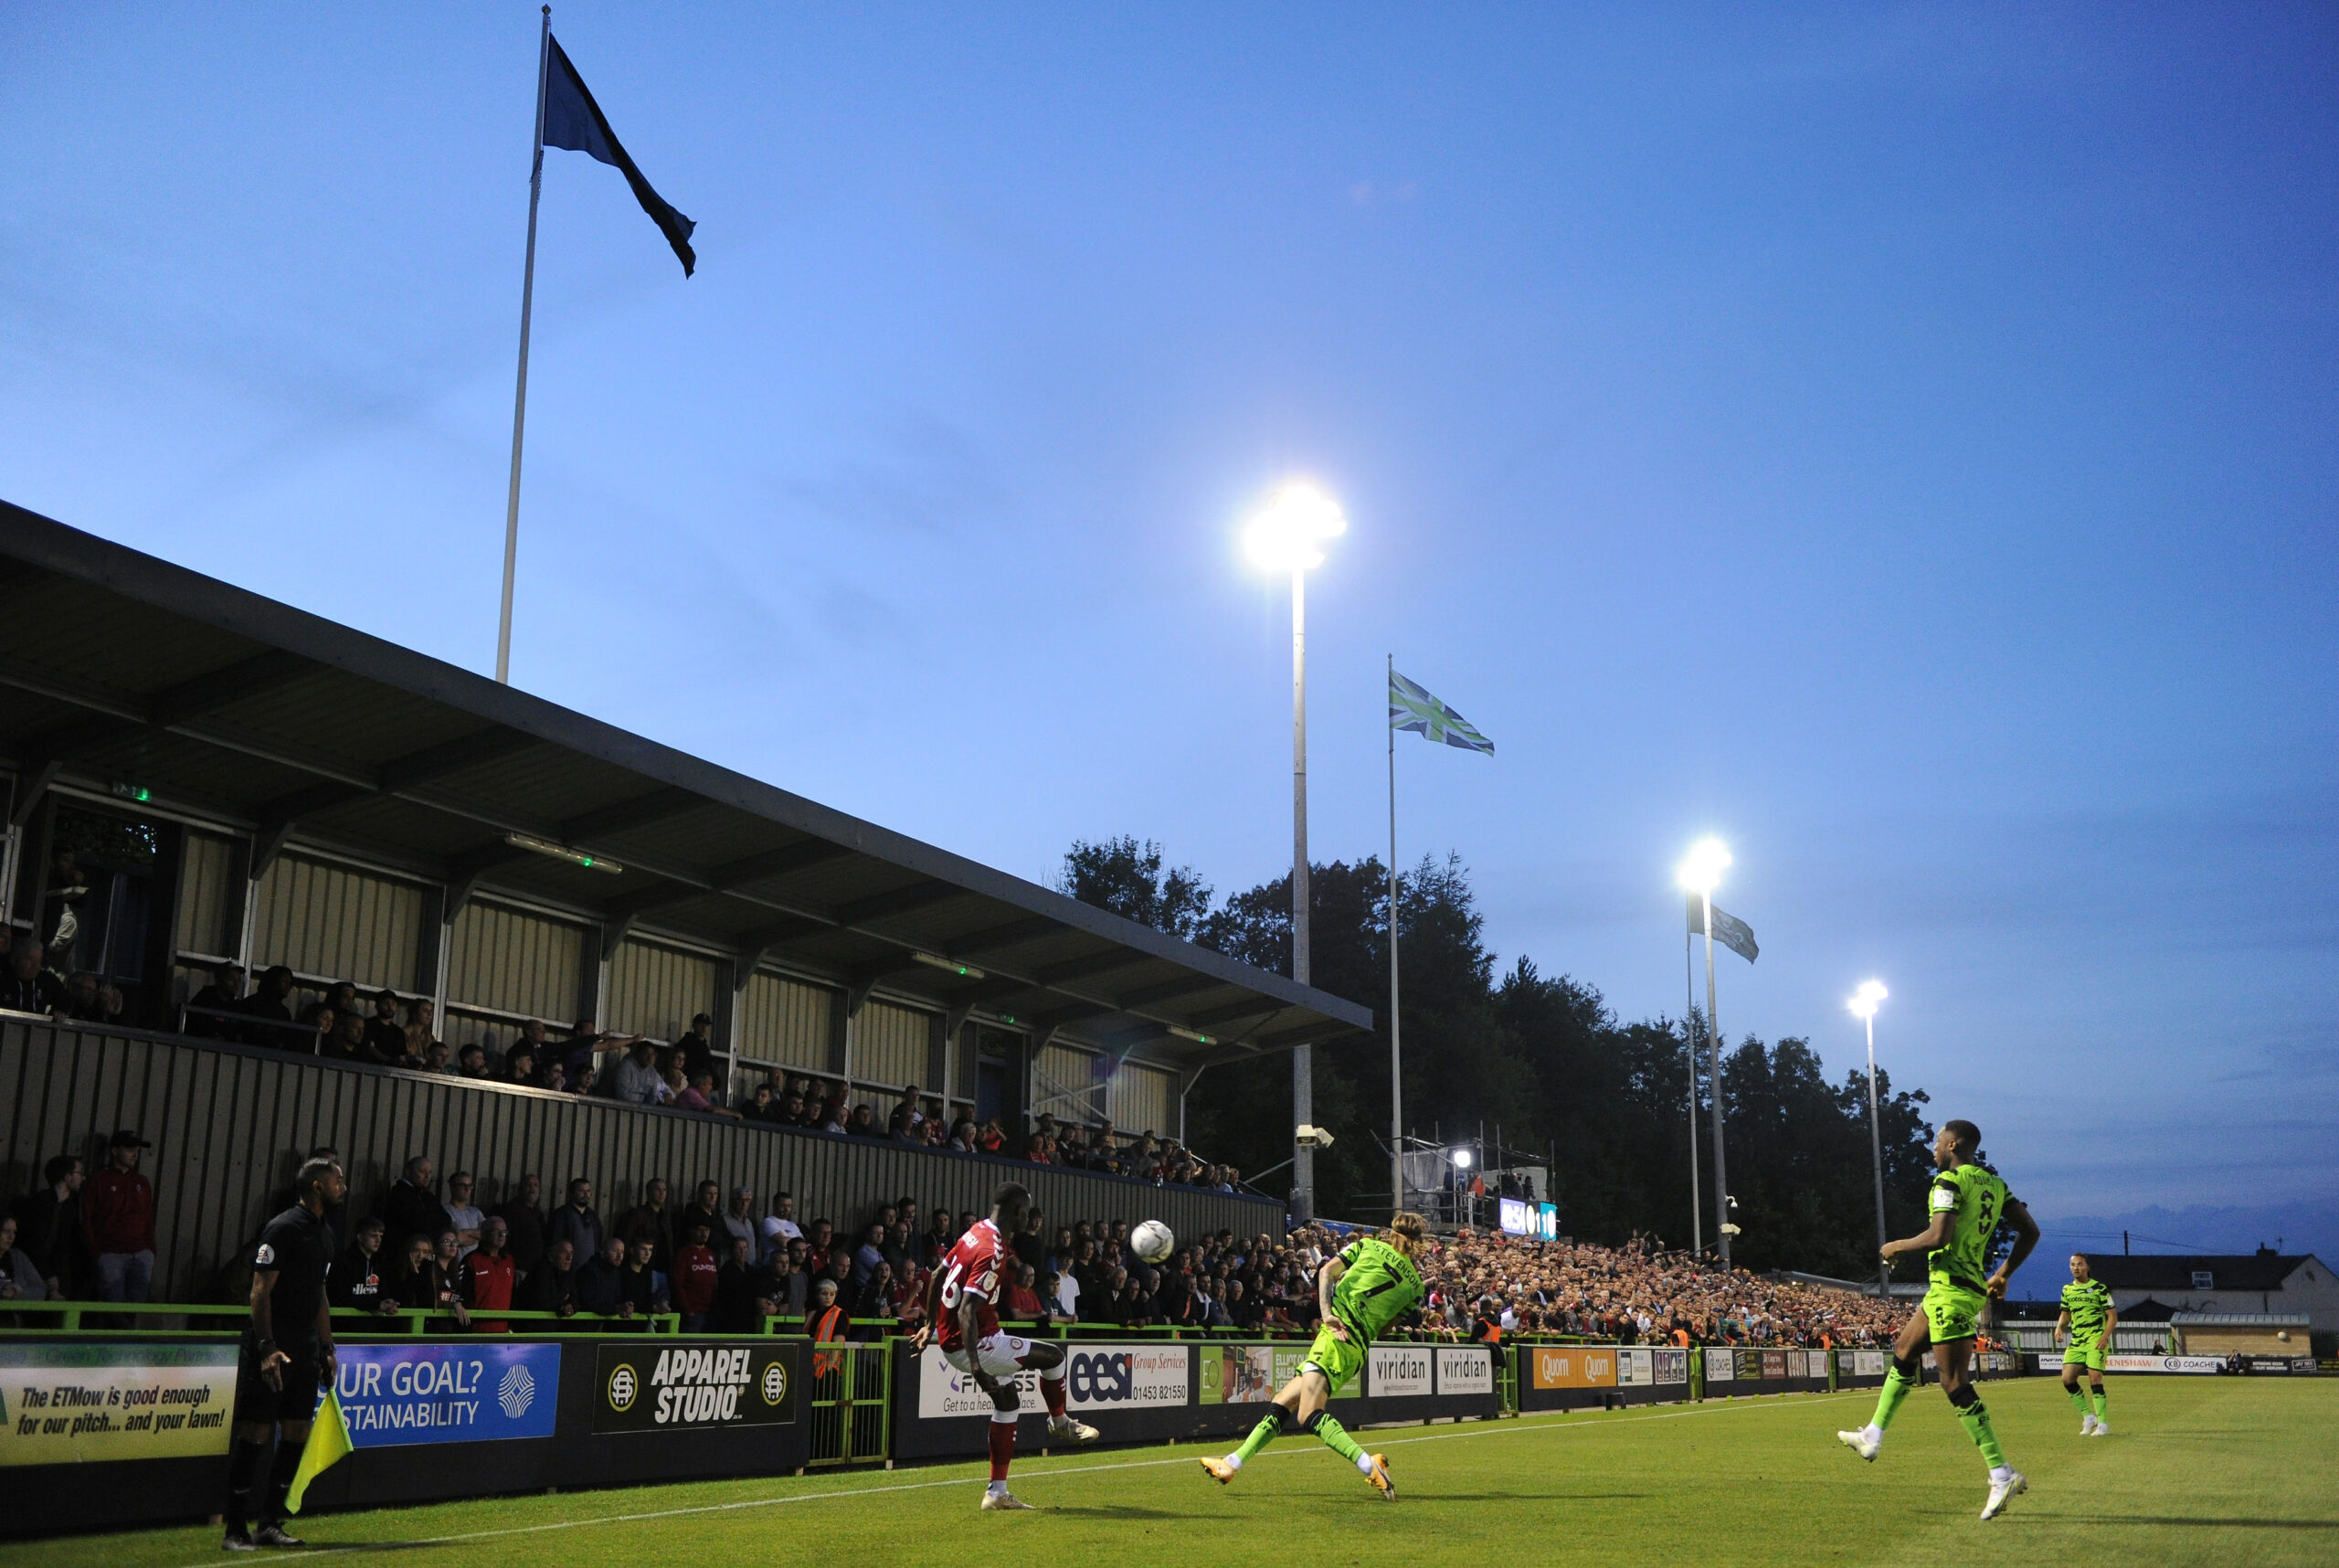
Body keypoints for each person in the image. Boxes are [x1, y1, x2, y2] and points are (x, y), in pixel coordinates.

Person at [1836, 1119, 2040, 1521]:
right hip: (1953, 1289)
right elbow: (2030, 1232)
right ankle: (1872, 1436)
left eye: (1937, 1141)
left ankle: (2001, 1472)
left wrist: (1897, 1245)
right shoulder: (1996, 1185)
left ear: (1953, 1143)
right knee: (1905, 1349)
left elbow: (1939, 1236)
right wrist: (2002, 1274)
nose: (1933, 1147)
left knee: (1953, 1382)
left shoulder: (1947, 1182)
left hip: (1952, 1290)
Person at [1199, 1212, 1428, 1500]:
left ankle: (1367, 1464)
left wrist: (1327, 1314)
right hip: (1355, 1348)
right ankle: (1232, 1463)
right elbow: (1383, 1330)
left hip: (1336, 1335)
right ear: (1419, 1241)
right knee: (1283, 1402)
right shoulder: (1416, 1288)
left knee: (1308, 1414)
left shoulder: (1367, 1246)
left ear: (1391, 1232)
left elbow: (1325, 1272)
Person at [914, 1181, 1097, 1510]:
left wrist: (929, 1324)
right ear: (1018, 1212)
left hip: (953, 1339)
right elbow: (968, 1309)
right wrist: (975, 1365)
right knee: (1054, 1357)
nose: (1029, 1218)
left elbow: (939, 1272)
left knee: (1009, 1404)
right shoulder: (993, 1250)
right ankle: (1059, 1422)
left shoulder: (976, 1231)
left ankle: (996, 1493)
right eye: (1026, 1211)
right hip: (977, 1343)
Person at [223, 1155, 343, 1551]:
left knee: (296, 1431)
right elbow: (259, 1291)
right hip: (274, 1344)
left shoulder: (325, 1233)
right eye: (337, 1180)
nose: (343, 1187)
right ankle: (234, 1531)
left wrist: (327, 1347)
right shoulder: (283, 1227)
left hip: (306, 1345)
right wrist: (266, 1347)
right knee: (256, 1430)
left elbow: (320, 1295)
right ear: (317, 1186)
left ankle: (269, 1523)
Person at [87, 1129, 157, 1302]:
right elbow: (86, 1218)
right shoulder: (98, 1180)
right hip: (111, 1254)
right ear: (114, 1151)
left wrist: (150, 1250)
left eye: (137, 1151)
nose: (135, 1154)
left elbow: (148, 1218)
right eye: (130, 1149)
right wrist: (97, 1253)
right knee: (114, 1309)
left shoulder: (142, 1182)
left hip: (140, 1254)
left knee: (133, 1308)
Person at [2057, 1253, 2118, 1437]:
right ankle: (2088, 1417)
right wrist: (2059, 1327)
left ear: (2088, 1267)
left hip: (2095, 1339)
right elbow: (2066, 1314)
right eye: (2073, 1264)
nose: (2076, 1267)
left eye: (2080, 1264)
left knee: (2094, 1377)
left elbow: (2112, 1316)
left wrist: (2104, 1337)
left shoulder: (2099, 1288)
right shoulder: (2067, 1289)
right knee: (2067, 1379)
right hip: (2077, 1341)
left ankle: (2103, 1424)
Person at [12, 1154, 84, 1298]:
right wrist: (48, 1274)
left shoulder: (71, 1206)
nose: (83, 1178)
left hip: (54, 1271)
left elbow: (63, 1245)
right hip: (32, 1267)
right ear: (67, 1177)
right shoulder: (41, 1202)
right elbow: (34, 1242)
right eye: (80, 1173)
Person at [329, 1217, 399, 1317]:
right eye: (373, 1235)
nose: (378, 1240)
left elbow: (383, 1292)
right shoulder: (343, 1262)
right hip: (344, 1325)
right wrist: (377, 1304)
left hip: (371, 1328)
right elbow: (339, 1296)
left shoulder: (379, 1263)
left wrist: (388, 1302)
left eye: (381, 1236)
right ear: (360, 1237)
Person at [381, 1156, 449, 1248]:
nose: (427, 1176)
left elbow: (446, 1219)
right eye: (422, 1172)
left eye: (429, 1172)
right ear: (409, 1172)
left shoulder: (428, 1196)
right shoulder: (398, 1194)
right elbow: (417, 1223)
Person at [495, 1174, 548, 1275]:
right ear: (520, 1189)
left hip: (534, 1270)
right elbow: (503, 1238)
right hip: (517, 1269)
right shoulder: (511, 1210)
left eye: (535, 1185)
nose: (532, 1189)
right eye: (529, 1185)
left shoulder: (538, 1214)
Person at [673, 1218, 720, 1332]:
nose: (704, 1234)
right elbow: (677, 1284)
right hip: (693, 1314)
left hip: (710, 1314)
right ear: (692, 1231)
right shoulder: (684, 1253)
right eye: (700, 1230)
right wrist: (688, 1309)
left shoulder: (711, 1254)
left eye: (707, 1230)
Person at [546, 1179, 605, 1268]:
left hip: (589, 1271)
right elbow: (555, 1242)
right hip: (567, 1271)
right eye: (581, 1191)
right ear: (572, 1193)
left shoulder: (593, 1216)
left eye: (588, 1191)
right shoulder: (562, 1214)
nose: (586, 1194)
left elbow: (598, 1242)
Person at [517, 1237, 580, 1319]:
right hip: (532, 1325)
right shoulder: (541, 1270)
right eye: (564, 1252)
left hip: (553, 1327)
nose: (569, 1258)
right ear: (552, 1256)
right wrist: (562, 1303)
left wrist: (572, 1307)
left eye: (571, 1253)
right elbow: (541, 1303)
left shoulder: (570, 1273)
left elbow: (576, 1301)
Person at [442, 1172, 483, 1258]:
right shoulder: (445, 1211)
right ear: (452, 1187)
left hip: (474, 1264)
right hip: (456, 1264)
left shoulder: (475, 1212)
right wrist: (477, 1236)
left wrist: (465, 1233)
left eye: (470, 1185)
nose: (467, 1189)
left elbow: (487, 1234)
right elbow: (458, 1238)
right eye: (462, 1185)